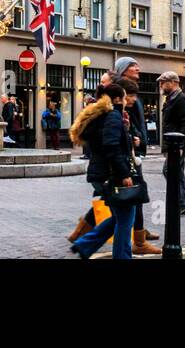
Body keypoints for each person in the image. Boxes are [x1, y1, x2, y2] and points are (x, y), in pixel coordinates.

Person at [69, 83, 138, 259]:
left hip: (101, 173)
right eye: (123, 97)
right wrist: (124, 175)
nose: (125, 101)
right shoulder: (112, 116)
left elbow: (107, 141)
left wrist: (126, 130)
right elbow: (111, 146)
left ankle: (84, 245)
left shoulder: (104, 116)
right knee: (125, 218)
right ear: (116, 99)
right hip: (110, 174)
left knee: (118, 216)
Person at [114, 58, 159, 249]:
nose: (138, 68)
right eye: (133, 66)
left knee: (126, 198)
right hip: (128, 153)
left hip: (134, 150)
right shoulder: (121, 92)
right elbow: (123, 124)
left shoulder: (130, 91)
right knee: (134, 194)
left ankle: (138, 231)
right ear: (124, 70)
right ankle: (138, 239)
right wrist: (133, 138)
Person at [159, 71, 185, 215]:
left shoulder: (181, 98)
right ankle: (182, 203)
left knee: (169, 170)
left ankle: (181, 202)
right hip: (173, 143)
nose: (161, 85)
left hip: (178, 143)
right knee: (177, 172)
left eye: (163, 82)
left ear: (173, 82)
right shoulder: (170, 98)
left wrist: (180, 146)